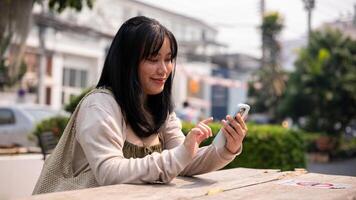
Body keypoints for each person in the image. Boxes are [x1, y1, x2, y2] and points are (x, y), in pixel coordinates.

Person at [32, 16, 248, 194]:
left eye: (169, 59)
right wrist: (180, 155)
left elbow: (184, 162)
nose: (164, 69)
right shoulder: (99, 106)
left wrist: (226, 147)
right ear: (127, 62)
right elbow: (109, 172)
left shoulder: (160, 108)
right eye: (153, 59)